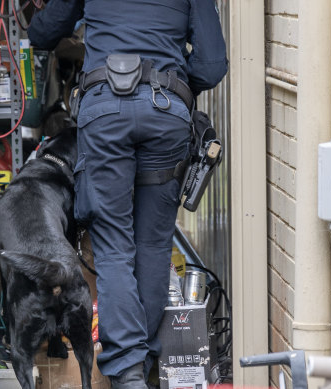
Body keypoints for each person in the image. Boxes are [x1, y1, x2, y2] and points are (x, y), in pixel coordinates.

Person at [27, 1, 227, 388]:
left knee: (114, 246)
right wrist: (170, 78)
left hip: (106, 114)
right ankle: (143, 362)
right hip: (165, 110)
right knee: (153, 245)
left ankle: (127, 371)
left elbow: (43, 33)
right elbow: (211, 65)